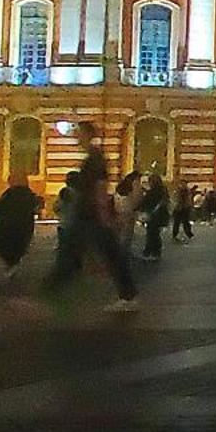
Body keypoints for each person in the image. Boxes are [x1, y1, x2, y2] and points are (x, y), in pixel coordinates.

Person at [44, 122, 139, 309]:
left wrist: (104, 213)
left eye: (79, 133)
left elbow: (100, 186)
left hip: (91, 215)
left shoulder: (95, 158)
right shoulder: (93, 157)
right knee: (92, 253)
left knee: (81, 254)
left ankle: (45, 296)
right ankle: (128, 296)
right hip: (88, 214)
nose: (76, 137)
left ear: (87, 135)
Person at [0, 174, 39, 276]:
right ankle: (13, 263)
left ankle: (11, 263)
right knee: (19, 244)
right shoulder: (29, 194)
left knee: (0, 243)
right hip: (25, 223)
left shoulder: (10, 193)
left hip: (9, 223)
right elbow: (35, 207)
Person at [138, 173, 169, 261]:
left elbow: (146, 202)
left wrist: (139, 207)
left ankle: (148, 252)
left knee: (151, 234)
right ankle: (156, 252)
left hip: (154, 215)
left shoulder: (153, 192)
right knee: (155, 234)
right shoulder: (162, 190)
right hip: (160, 215)